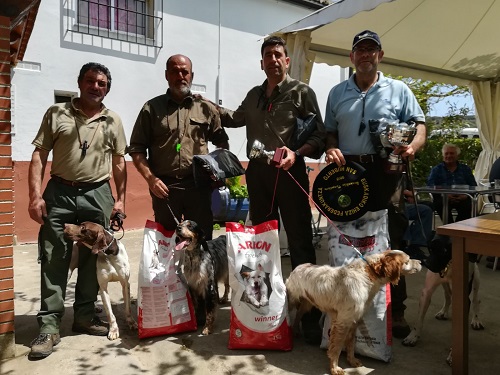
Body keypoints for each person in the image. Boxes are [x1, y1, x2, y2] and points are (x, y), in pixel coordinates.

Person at [219, 36, 326, 344]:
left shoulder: (301, 92)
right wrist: (208, 106)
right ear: (262, 62)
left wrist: (297, 152)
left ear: (287, 60)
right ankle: (266, 311)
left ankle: (308, 317)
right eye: (268, 55)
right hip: (258, 176)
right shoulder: (254, 94)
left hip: (289, 174)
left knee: (301, 245)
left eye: (279, 54)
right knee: (263, 246)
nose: (274, 60)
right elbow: (235, 118)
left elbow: (318, 133)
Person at [324, 30, 426, 339]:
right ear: (351, 57)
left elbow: (420, 125)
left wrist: (413, 147)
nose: (365, 54)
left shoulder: (399, 90)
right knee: (347, 242)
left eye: (371, 49)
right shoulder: (336, 92)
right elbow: (329, 131)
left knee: (391, 243)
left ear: (380, 55)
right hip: (347, 175)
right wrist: (331, 147)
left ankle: (396, 314)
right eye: (360, 50)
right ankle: (341, 308)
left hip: (386, 175)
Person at [27, 62, 127, 358]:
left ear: (107, 88)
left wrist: (119, 200)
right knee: (54, 255)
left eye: (102, 83)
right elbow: (39, 153)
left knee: (92, 257)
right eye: (91, 81)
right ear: (80, 82)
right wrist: (35, 196)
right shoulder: (56, 113)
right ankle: (49, 326)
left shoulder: (113, 120)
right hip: (59, 192)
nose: (96, 86)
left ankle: (84, 316)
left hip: (97, 193)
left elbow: (119, 162)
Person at [129, 54, 229, 239]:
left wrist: (218, 172)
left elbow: (222, 141)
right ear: (167, 75)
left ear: (192, 75)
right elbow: (136, 149)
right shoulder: (151, 108)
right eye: (175, 71)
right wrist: (151, 180)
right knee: (166, 244)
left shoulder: (206, 108)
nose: (180, 76)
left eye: (185, 72)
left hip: (199, 188)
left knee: (202, 244)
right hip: (165, 189)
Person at [427, 143, 476, 223]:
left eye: (452, 153)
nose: (449, 156)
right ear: (443, 156)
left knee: (468, 205)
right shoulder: (436, 170)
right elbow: (430, 185)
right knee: (440, 204)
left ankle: (458, 228)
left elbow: (473, 186)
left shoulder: (465, 169)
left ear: (457, 155)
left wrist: (465, 196)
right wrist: (444, 194)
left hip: (463, 197)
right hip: (443, 198)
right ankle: (448, 228)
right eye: (446, 153)